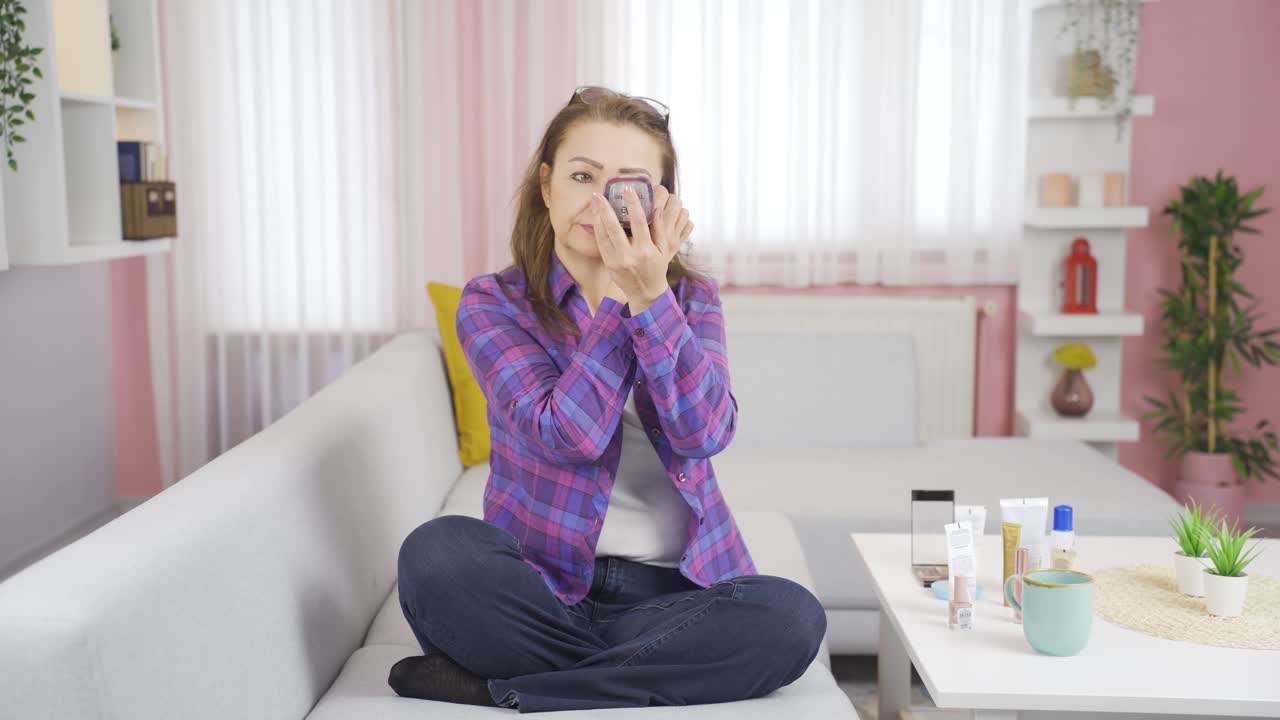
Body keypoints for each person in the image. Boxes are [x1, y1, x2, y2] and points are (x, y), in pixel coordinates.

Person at [389, 86, 825, 713]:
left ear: (661, 203)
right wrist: (620, 298)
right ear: (547, 187)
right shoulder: (492, 303)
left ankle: (506, 686)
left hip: (677, 592)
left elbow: (704, 434)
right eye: (581, 176)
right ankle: (621, 672)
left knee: (790, 619)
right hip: (539, 586)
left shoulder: (692, 300)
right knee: (435, 556)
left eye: (628, 186)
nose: (600, 202)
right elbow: (570, 437)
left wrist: (652, 301)